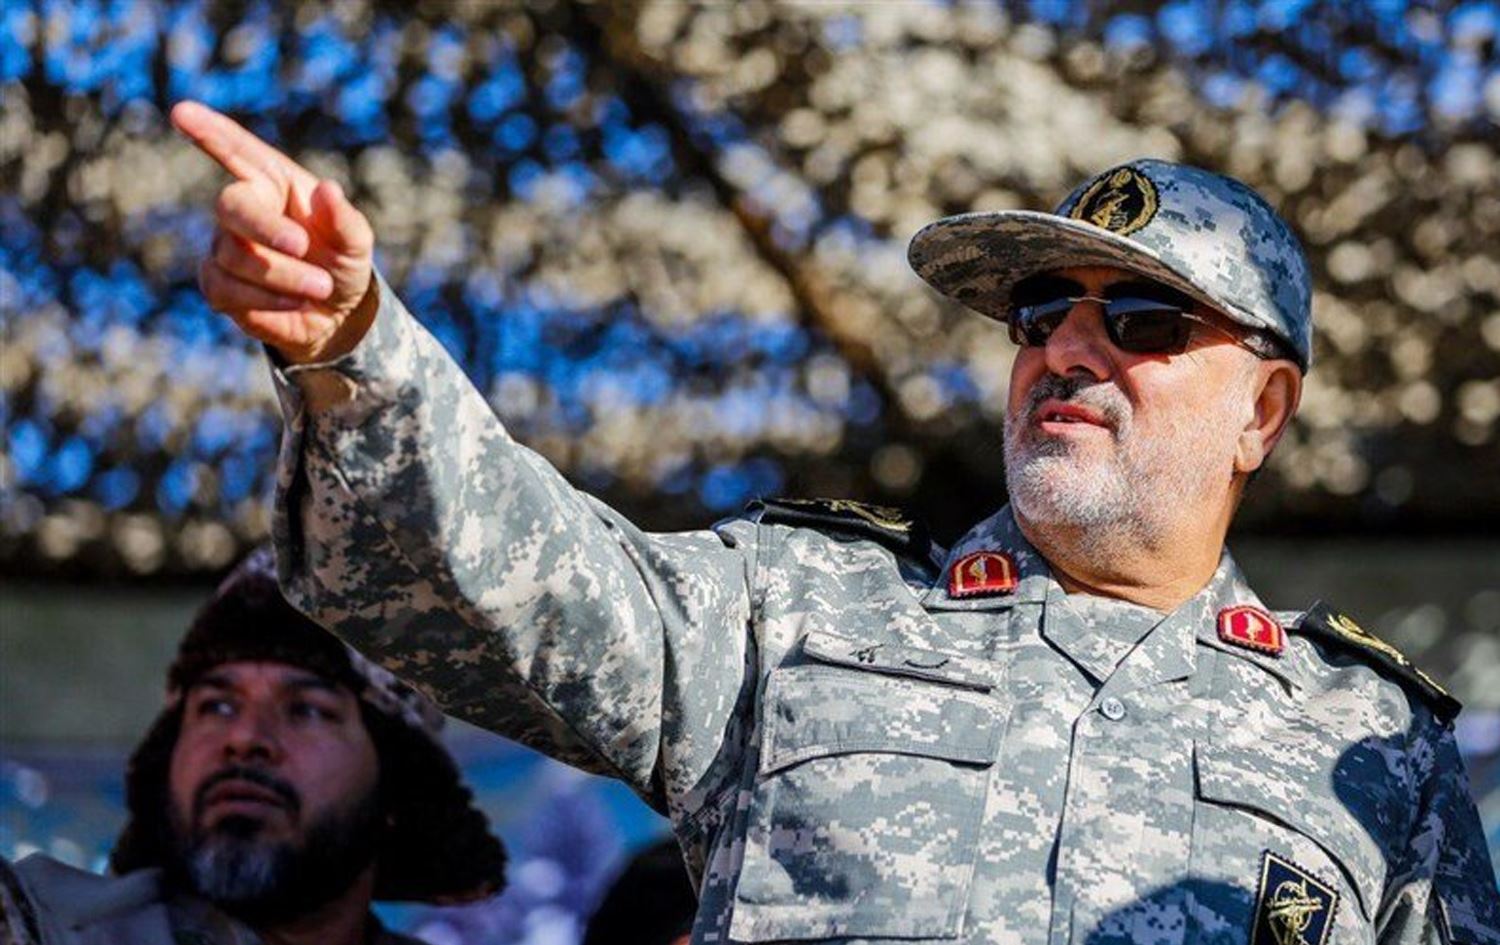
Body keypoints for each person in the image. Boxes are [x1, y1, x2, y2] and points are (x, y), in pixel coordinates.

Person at [169, 98, 1500, 945]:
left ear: (1262, 411)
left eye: (1144, 321)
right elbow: (512, 581)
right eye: (1044, 314)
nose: (1068, 349)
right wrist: (355, 349)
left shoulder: (1377, 751)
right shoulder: (795, 612)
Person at [0, 549, 506, 945]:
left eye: (307, 710)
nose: (245, 739)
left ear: (397, 789)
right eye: (217, 706)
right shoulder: (42, 926)